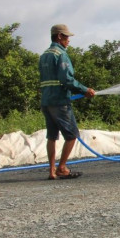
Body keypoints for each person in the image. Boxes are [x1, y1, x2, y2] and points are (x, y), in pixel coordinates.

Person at [39, 24, 96, 180]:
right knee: (71, 135)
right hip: (60, 102)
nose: (68, 40)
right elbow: (66, 79)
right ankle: (62, 168)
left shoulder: (44, 55)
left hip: (46, 101)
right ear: (59, 36)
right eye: (66, 37)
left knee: (52, 136)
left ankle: (51, 171)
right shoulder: (60, 54)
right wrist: (85, 90)